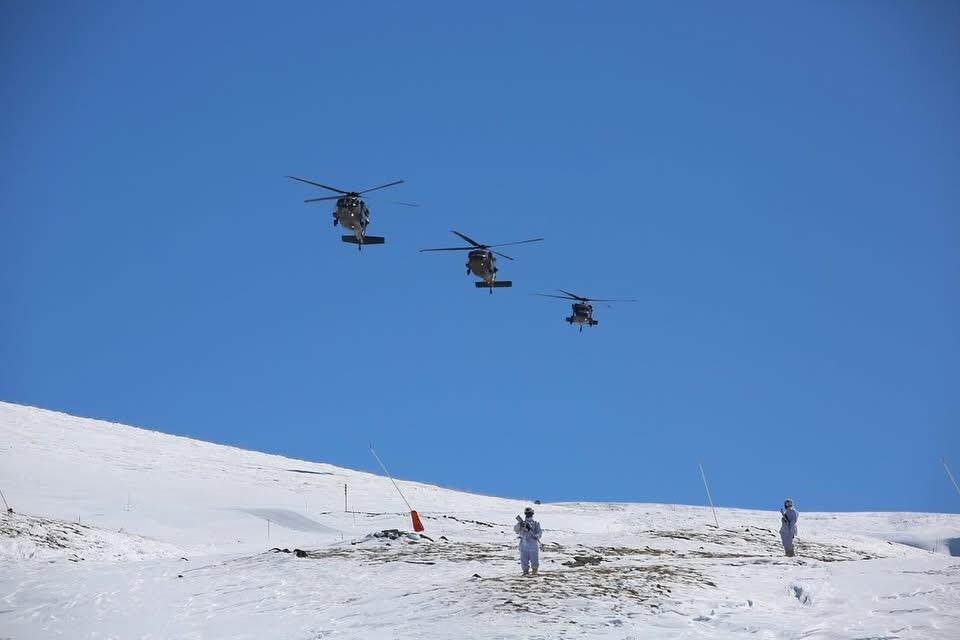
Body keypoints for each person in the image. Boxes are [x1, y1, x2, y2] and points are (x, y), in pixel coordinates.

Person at [513, 506, 543, 575]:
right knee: (524, 560)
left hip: (533, 544)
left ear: (532, 513)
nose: (528, 515)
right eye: (527, 513)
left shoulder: (535, 523)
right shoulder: (522, 523)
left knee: (534, 559)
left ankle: (534, 572)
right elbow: (516, 530)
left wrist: (537, 536)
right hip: (524, 544)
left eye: (530, 513)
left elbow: (539, 532)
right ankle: (525, 572)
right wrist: (520, 525)